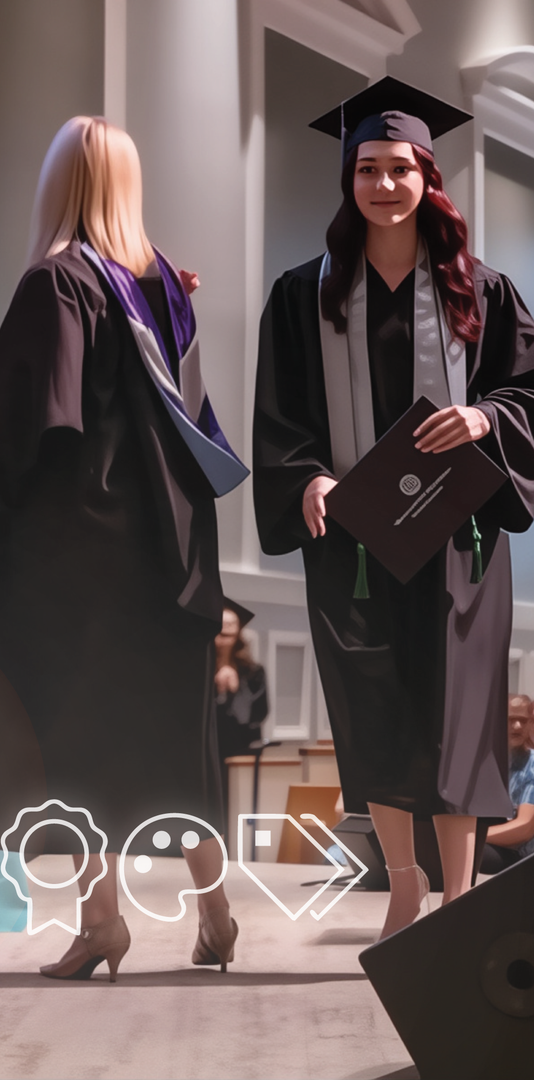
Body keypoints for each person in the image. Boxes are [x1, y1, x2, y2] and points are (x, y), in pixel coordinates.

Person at [0, 116, 247, 979]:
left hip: (79, 562)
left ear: (57, 184)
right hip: (170, 555)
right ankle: (216, 914)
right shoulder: (166, 288)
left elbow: (46, 421)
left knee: (65, 738)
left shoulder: (58, 281)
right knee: (173, 743)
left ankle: (102, 922)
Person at [253, 78, 534, 939]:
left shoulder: (481, 291)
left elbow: (528, 392)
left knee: (457, 718)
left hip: (460, 540)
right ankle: (405, 888)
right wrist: (306, 478)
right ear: (348, 179)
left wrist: (486, 418)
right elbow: (281, 416)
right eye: (366, 168)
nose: (383, 184)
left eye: (399, 168)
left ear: (427, 177)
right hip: (353, 539)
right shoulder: (302, 296)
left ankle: (459, 898)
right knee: (374, 709)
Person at [214, 603, 269, 825]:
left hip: (240, 748)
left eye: (231, 625)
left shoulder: (252, 672)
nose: (226, 632)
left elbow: (258, 713)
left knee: (239, 809)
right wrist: (217, 689)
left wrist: (237, 689)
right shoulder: (200, 668)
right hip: (211, 750)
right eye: (221, 628)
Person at [481, 694, 534, 873]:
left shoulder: (531, 765)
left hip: (522, 855)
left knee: (468, 851)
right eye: (511, 719)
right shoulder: (487, 761)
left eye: (523, 721)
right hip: (498, 841)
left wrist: (472, 837)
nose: (517, 726)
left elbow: (525, 828)